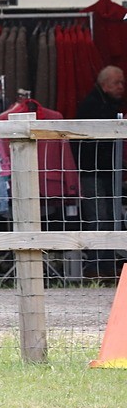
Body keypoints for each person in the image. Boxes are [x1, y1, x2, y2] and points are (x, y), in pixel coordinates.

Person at [72, 65, 126, 279]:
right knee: (99, 216)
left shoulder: (109, 105)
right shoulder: (92, 106)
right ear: (104, 85)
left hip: (108, 171)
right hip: (91, 171)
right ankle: (95, 265)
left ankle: (107, 263)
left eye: (122, 83)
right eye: (116, 83)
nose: (121, 87)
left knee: (111, 216)